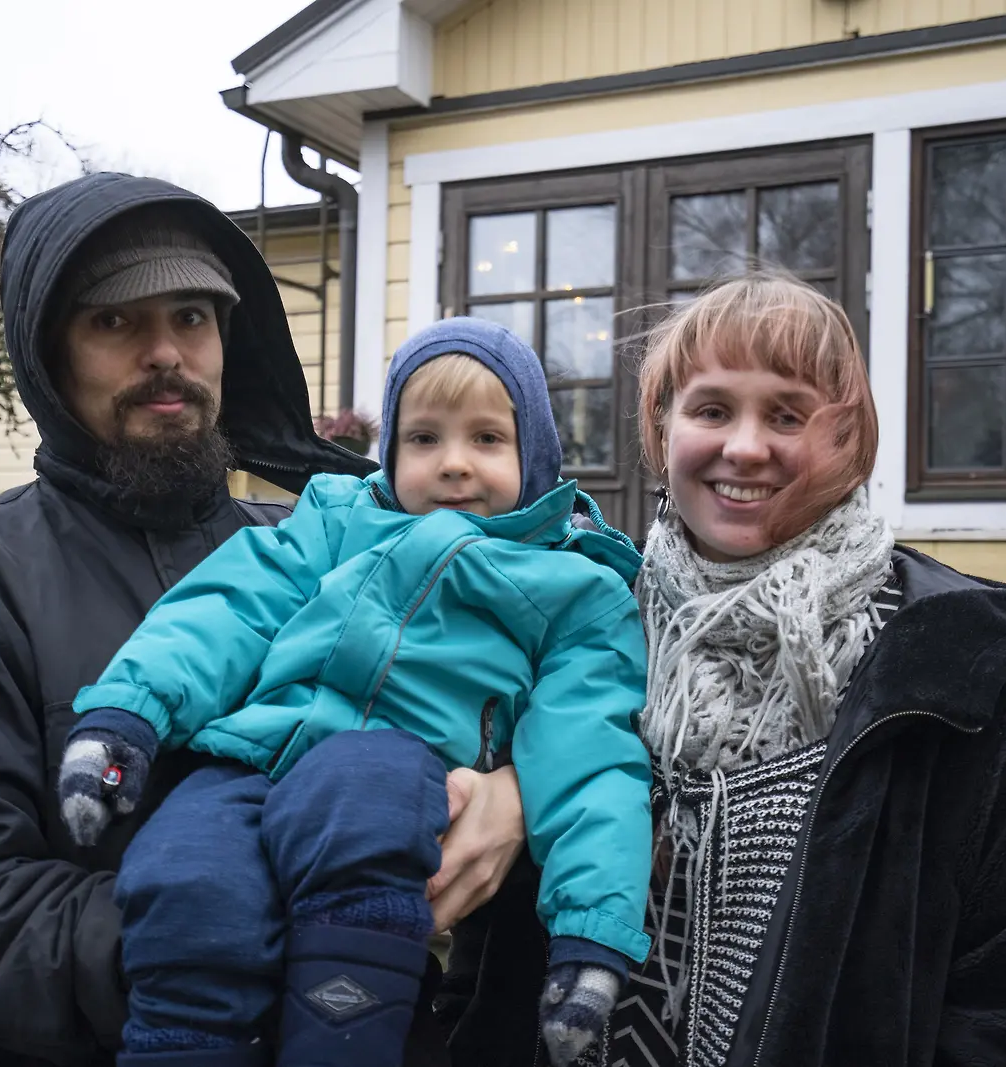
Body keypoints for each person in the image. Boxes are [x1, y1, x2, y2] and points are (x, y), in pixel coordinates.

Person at [0, 173, 527, 1067]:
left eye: (192, 316)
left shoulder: (334, 556)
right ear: (49, 354)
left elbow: (547, 729)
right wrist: (244, 935)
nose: (165, 351)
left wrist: (513, 797)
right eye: (114, 320)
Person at [438, 272, 1006, 1067]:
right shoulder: (574, 629)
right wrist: (517, 785)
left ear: (848, 438)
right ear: (663, 426)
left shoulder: (963, 679)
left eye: (786, 415)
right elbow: (476, 972)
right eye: (712, 410)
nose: (744, 447)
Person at [56, 317, 652, 1067]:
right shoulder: (334, 522)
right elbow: (227, 609)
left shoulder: (574, 588)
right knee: (182, 873)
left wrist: (589, 934)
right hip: (254, 766)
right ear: (391, 450)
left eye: (487, 439)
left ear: (535, 458)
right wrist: (125, 716)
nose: (454, 464)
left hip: (400, 783)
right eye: (425, 438)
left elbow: (589, 752)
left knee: (361, 805)